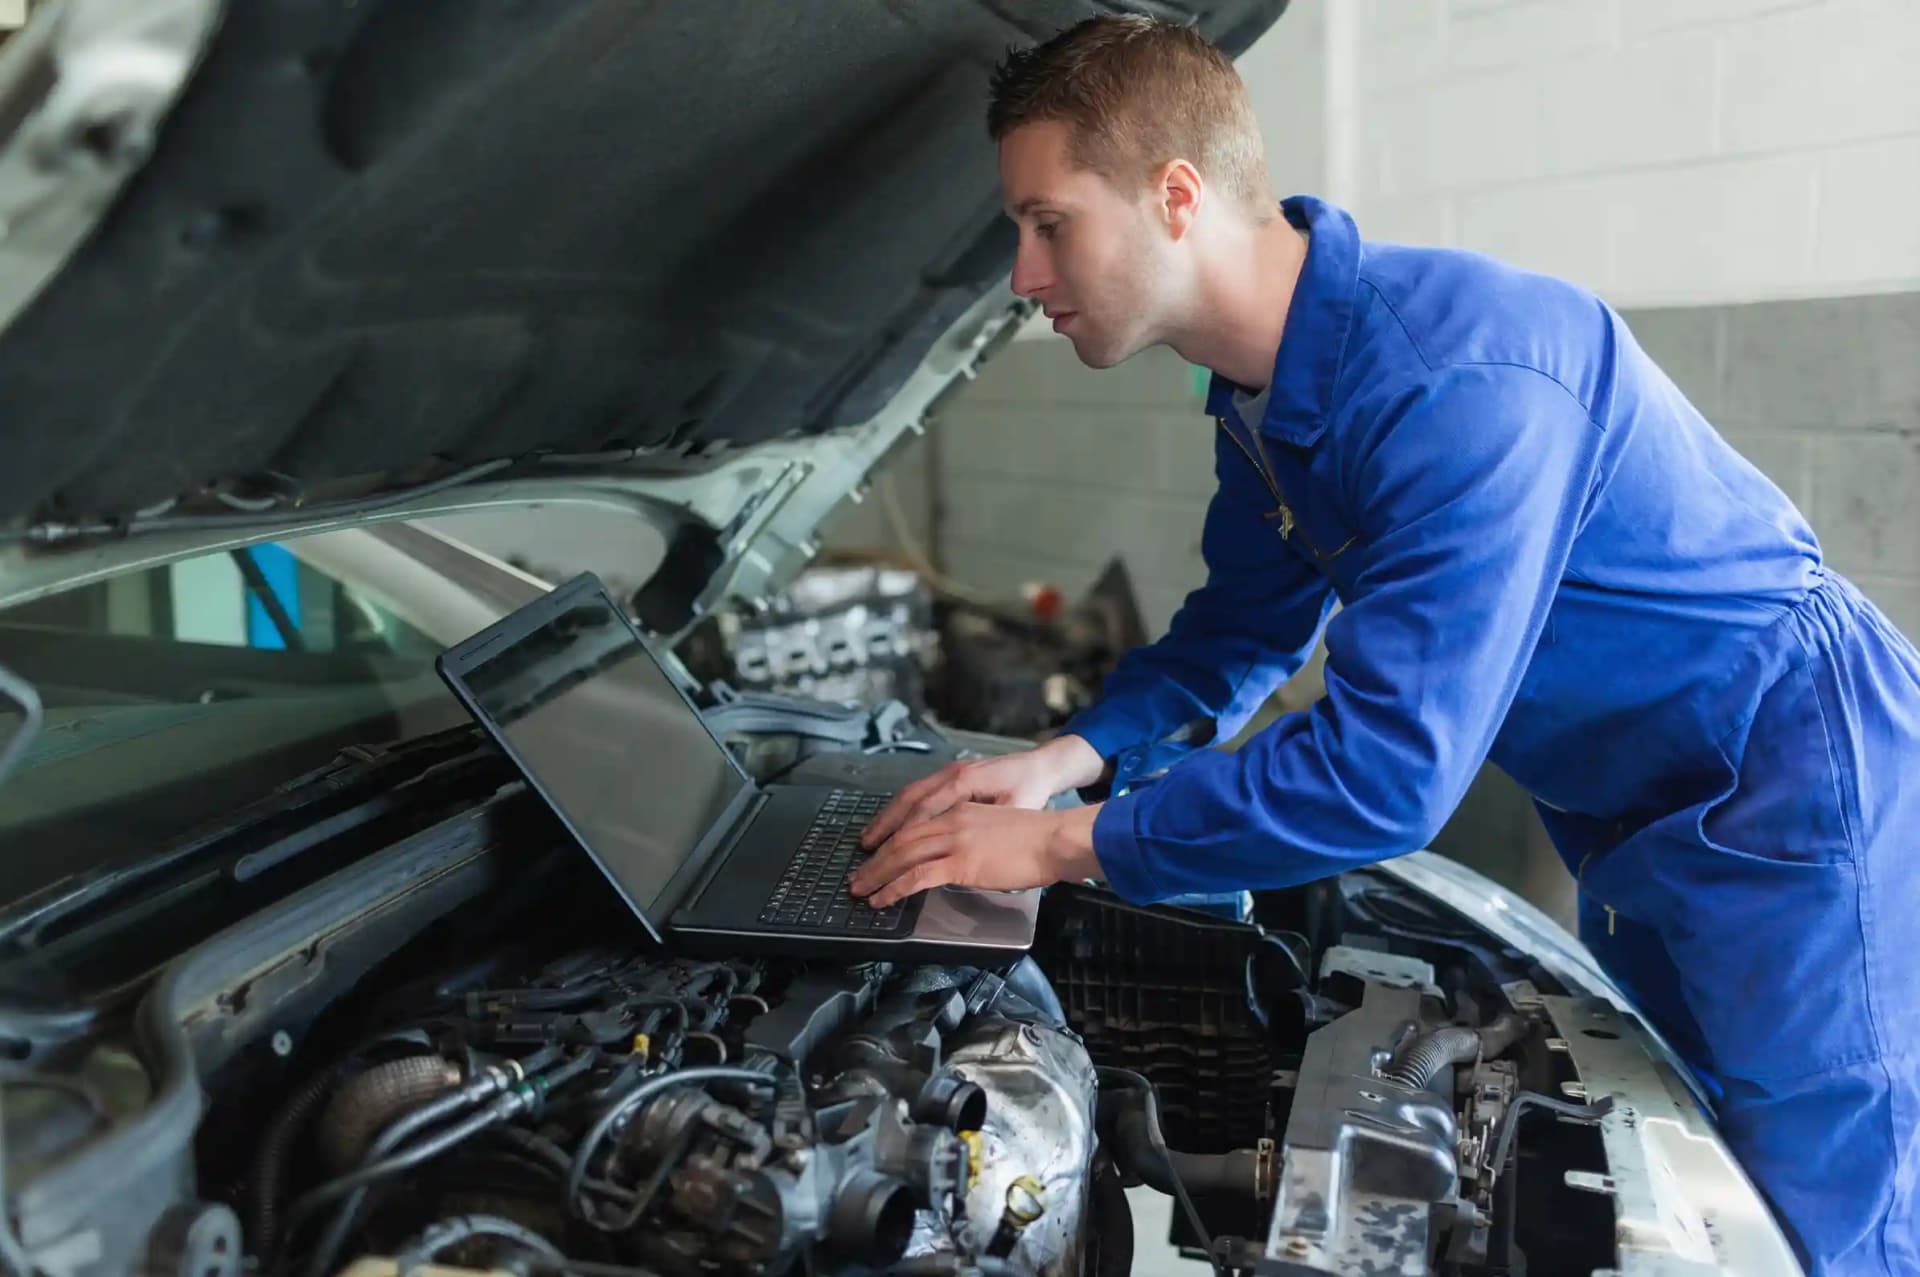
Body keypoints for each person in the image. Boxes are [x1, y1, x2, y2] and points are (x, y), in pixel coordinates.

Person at [845, 14, 1920, 1276]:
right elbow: (1236, 632)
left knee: (1828, 1227)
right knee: (1708, 1190)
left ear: (1175, 196)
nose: (1023, 277)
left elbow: (1386, 774)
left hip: (1796, 783)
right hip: (1643, 815)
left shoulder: (1451, 381)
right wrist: (1063, 761)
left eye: (1048, 223)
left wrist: (1071, 845)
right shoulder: (1264, 400)